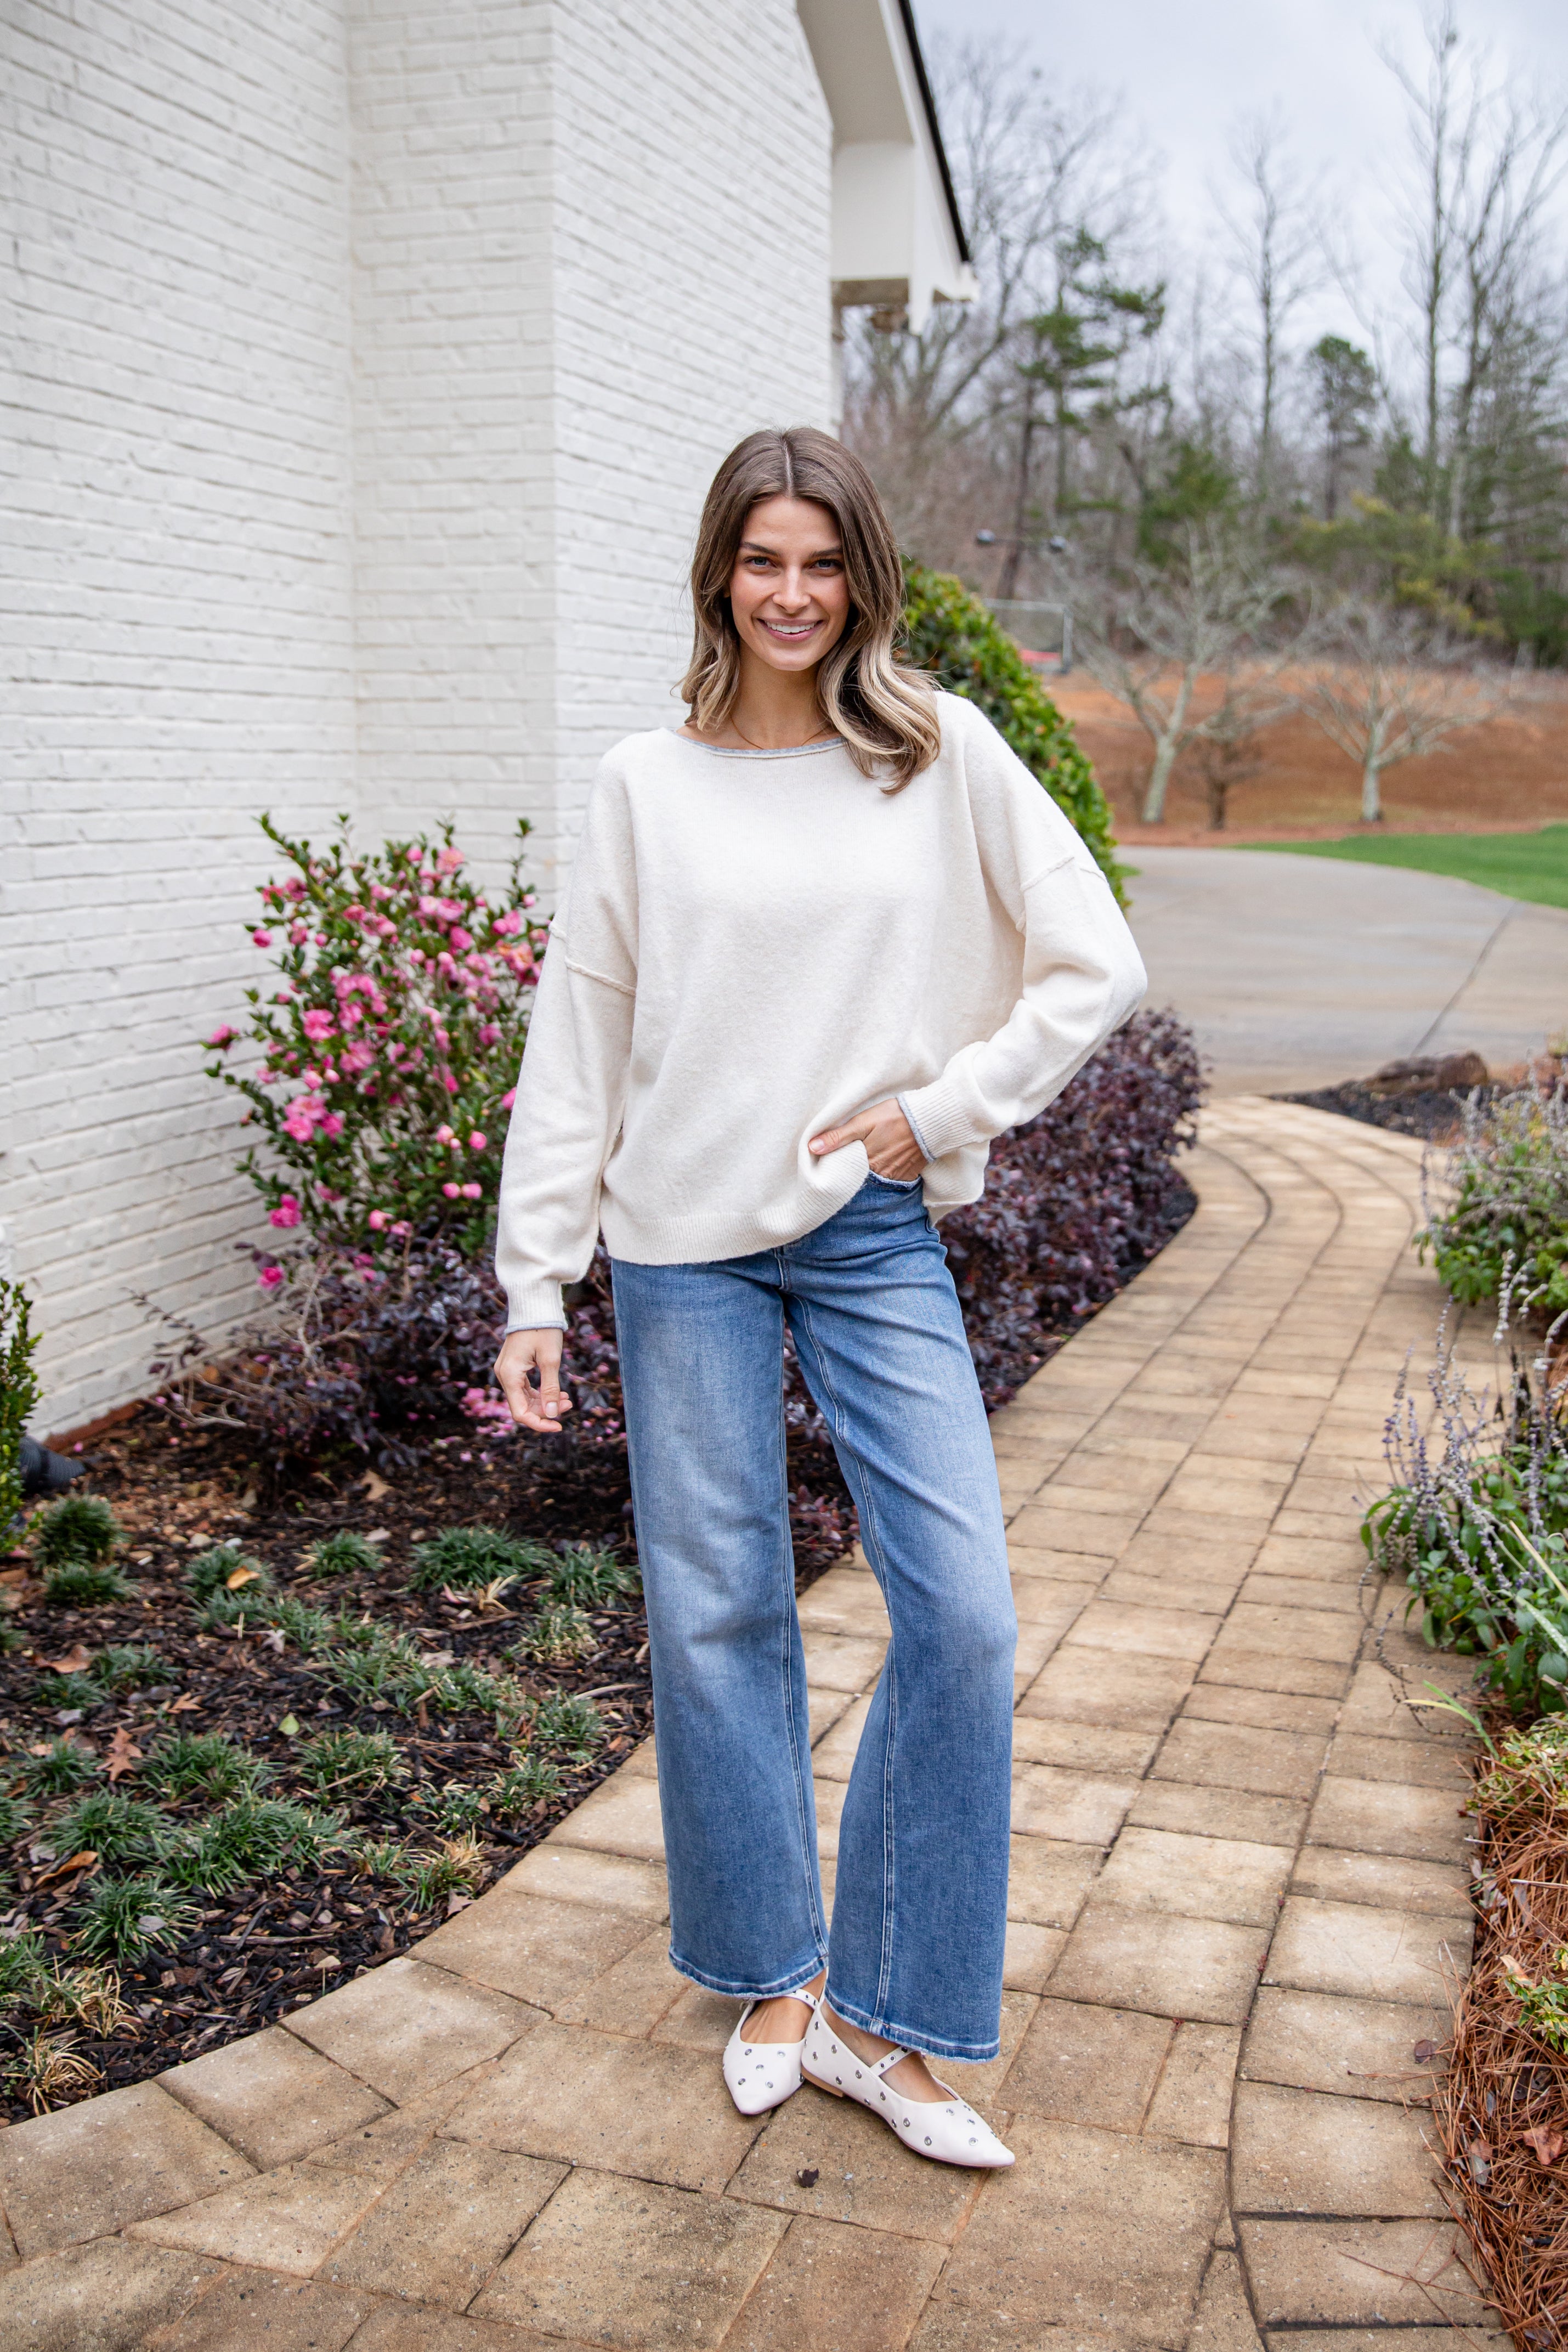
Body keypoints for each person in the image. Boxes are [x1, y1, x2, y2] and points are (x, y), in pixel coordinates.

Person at [493, 426, 1145, 2169]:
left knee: (964, 1615)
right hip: (677, 1244)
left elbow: (1095, 962)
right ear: (720, 574)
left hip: (865, 1229)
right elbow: (582, 1034)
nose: (793, 594)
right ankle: (770, 1977)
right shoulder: (646, 782)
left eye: (823, 562)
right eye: (762, 560)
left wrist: (942, 1111)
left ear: (864, 576)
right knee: (717, 1612)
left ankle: (889, 2021)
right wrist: (534, 1279)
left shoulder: (937, 753)